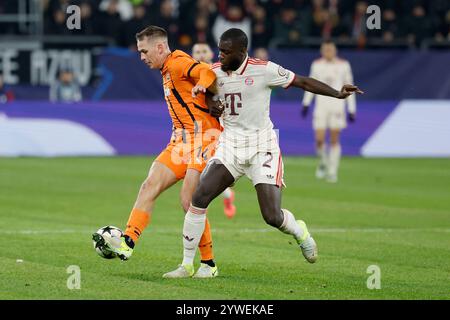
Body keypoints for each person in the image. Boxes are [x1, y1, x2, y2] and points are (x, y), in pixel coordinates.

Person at [164, 28, 363, 278]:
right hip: (231, 146)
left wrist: (337, 93)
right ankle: (189, 265)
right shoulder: (214, 72)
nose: (220, 55)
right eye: (220, 50)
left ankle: (299, 231)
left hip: (262, 147)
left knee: (271, 216)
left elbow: (301, 81)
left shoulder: (264, 69)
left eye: (226, 52)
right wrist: (213, 105)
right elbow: (208, 97)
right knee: (199, 197)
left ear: (241, 51)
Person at [93, 26, 222, 278]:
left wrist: (202, 87)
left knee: (189, 201)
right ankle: (127, 242)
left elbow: (206, 71)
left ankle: (208, 263)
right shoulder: (165, 70)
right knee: (148, 185)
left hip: (204, 138)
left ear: (160, 47)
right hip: (180, 142)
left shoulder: (177, 63)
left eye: (144, 51)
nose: (142, 57)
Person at [191, 42, 237, 219]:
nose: (201, 54)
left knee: (218, 170)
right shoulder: (190, 76)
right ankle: (205, 204)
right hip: (198, 127)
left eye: (204, 51)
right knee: (200, 169)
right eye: (197, 51)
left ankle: (224, 194)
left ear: (211, 54)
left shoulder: (221, 74)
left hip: (221, 126)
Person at [301, 41, 357, 183]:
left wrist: (351, 109)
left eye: (330, 49)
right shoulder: (317, 64)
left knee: (334, 140)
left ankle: (332, 171)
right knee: (319, 140)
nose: (328, 52)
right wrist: (306, 103)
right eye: (325, 49)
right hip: (321, 106)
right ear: (322, 51)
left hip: (337, 106)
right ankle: (323, 162)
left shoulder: (344, 65)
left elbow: (350, 87)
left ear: (335, 50)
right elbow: (310, 84)